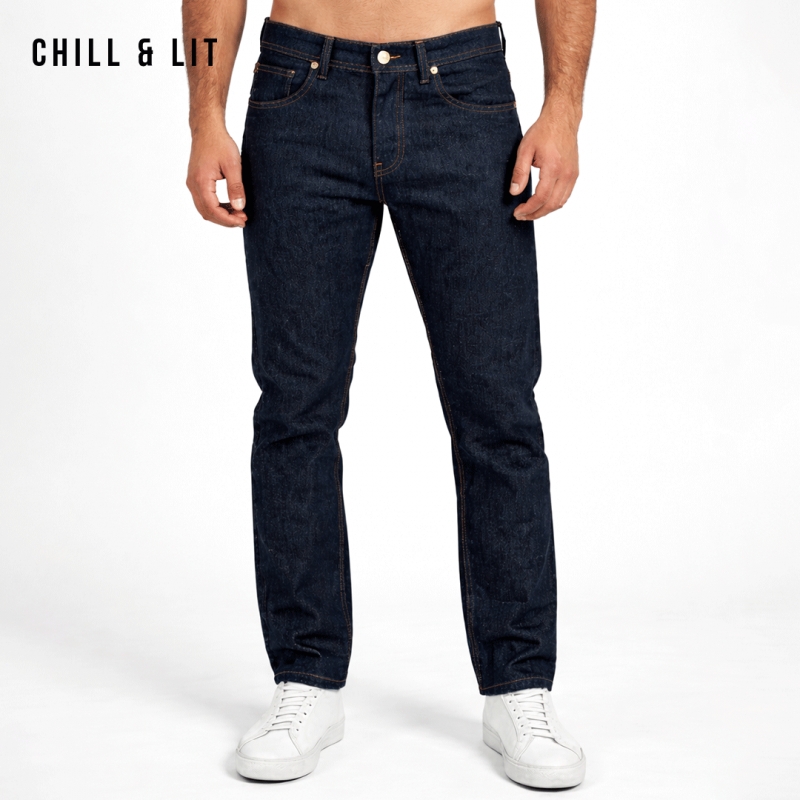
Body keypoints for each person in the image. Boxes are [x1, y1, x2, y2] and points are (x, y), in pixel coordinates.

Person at [183, 0, 595, 789]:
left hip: (462, 89)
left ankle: (519, 686)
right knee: (295, 410)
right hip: (300, 91)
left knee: (498, 410)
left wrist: (564, 107)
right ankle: (304, 680)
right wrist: (205, 116)